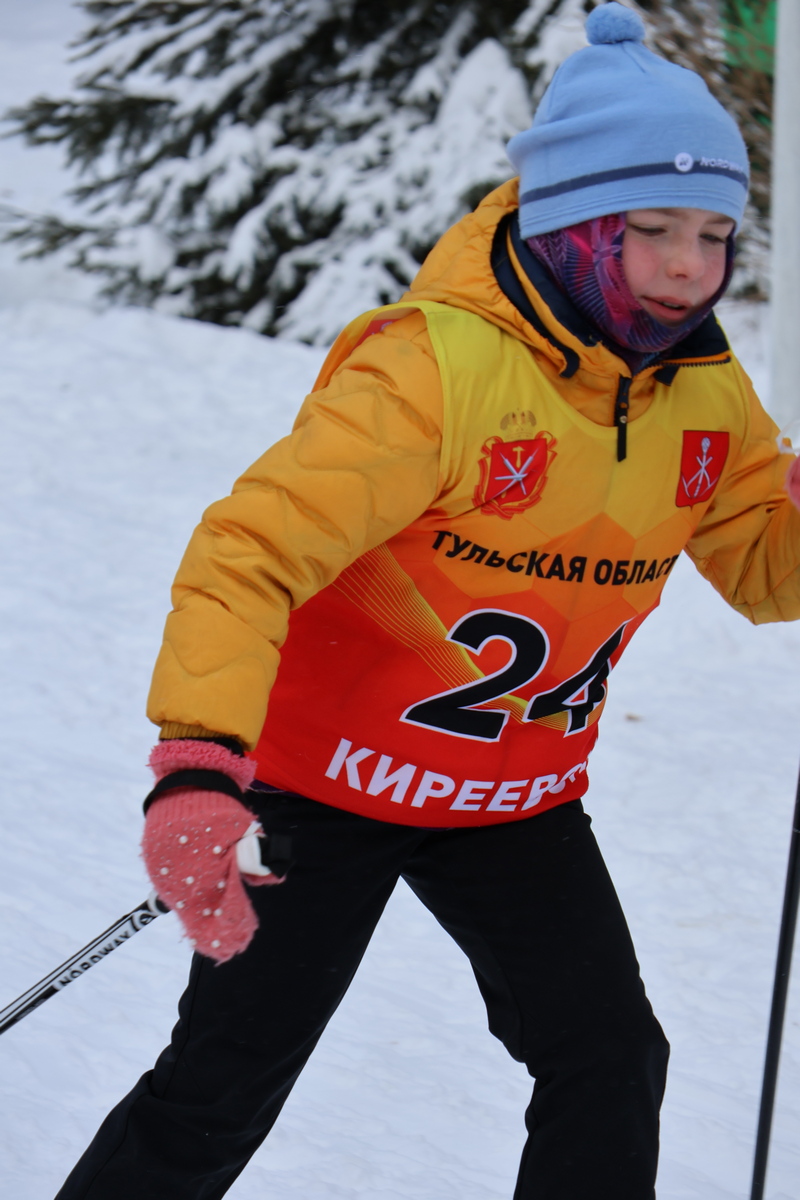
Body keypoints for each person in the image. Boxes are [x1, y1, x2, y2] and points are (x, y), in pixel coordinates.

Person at [55, 5, 800, 1198]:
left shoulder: (704, 396)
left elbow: (768, 572)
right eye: (650, 230)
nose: (686, 265)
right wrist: (198, 762)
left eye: (713, 234)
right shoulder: (434, 370)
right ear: (571, 227)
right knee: (220, 1088)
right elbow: (248, 552)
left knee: (609, 1059)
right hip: (321, 789)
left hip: (511, 798)